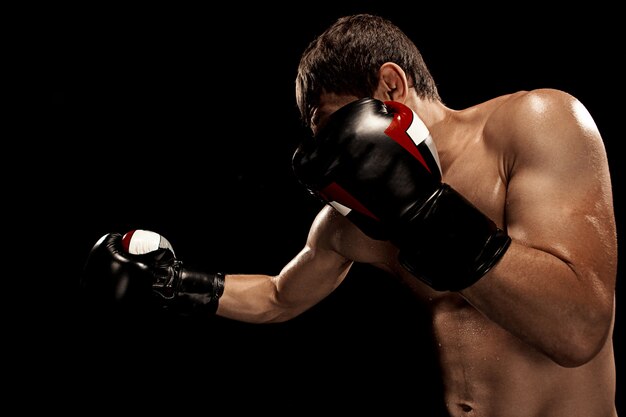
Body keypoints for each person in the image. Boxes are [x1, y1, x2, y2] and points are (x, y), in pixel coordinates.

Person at [81, 13, 619, 417]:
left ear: (392, 87)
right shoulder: (356, 222)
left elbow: (578, 331)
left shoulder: (533, 123)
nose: (344, 164)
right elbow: (276, 296)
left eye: (342, 133)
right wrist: (177, 282)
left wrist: (424, 212)